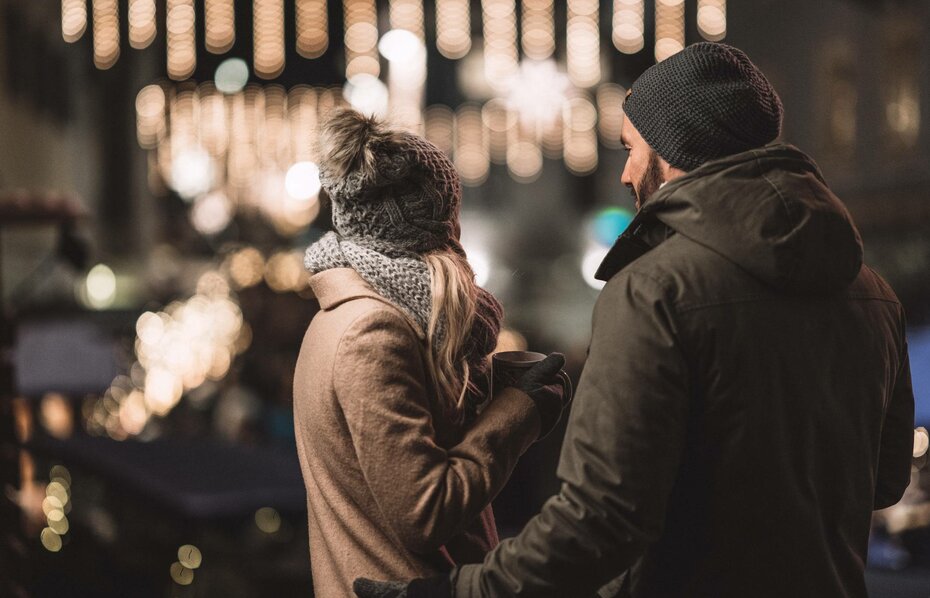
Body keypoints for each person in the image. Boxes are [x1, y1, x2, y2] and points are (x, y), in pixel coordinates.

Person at [354, 42, 916, 598]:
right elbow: (885, 481)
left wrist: (458, 592)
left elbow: (601, 519)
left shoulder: (654, 291)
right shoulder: (874, 295)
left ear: (674, 150)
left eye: (631, 148)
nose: (626, 174)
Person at [293, 108, 571, 598]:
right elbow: (424, 512)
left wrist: (487, 396)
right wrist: (518, 413)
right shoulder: (373, 332)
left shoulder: (345, 318)